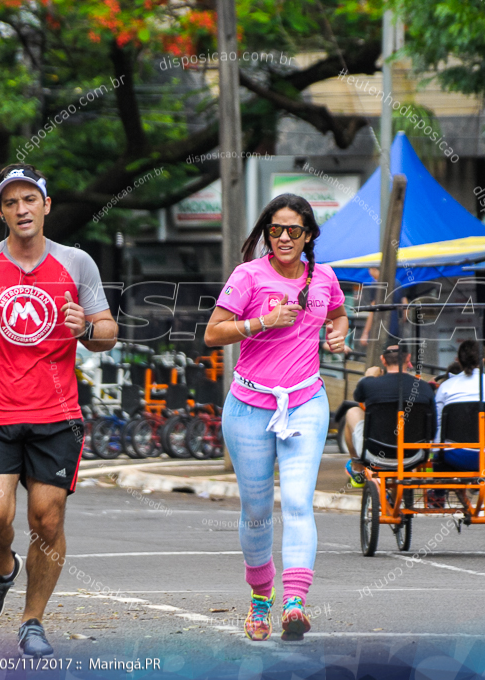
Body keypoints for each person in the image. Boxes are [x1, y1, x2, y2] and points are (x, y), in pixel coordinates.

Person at [0, 164, 117, 659]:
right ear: (1, 212)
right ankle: (3, 568)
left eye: (29, 200)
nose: (22, 209)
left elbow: (107, 332)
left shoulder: (77, 263)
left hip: (56, 414)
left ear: (46, 205)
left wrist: (85, 328)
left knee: (46, 520)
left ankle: (32, 620)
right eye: (11, 202)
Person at [205, 193, 348, 642]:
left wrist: (338, 333)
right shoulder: (247, 276)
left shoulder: (323, 277)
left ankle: (294, 603)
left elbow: (339, 315)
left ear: (309, 236)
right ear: (267, 233)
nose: (284, 238)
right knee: (256, 513)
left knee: (301, 503)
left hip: (305, 401)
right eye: (276, 229)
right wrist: (261, 322)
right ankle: (261, 597)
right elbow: (212, 333)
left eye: (294, 230)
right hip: (249, 404)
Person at [432, 340, 485, 507]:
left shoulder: (446, 387)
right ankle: (475, 481)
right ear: (483, 361)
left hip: (454, 454)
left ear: (458, 361)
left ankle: (439, 494)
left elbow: (437, 421)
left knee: (440, 454)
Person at [342, 346, 437, 488]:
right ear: (408, 359)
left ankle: (357, 467)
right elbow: (432, 430)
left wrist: (369, 377)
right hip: (413, 456)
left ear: (383, 360)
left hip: (375, 454)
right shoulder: (424, 388)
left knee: (352, 412)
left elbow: (358, 397)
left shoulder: (370, 384)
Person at [358, 267, 408, 349]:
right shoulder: (397, 283)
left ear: (373, 269)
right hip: (395, 329)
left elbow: (373, 310)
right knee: (393, 356)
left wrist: (365, 332)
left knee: (380, 354)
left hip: (379, 329)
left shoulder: (375, 284)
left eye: (369, 269)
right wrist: (401, 321)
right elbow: (406, 305)